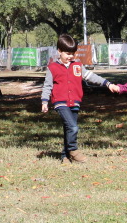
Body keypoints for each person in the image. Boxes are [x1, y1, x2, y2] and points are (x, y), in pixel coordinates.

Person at [41, 34, 120, 163]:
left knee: (69, 128)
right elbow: (47, 86)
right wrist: (44, 101)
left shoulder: (77, 65)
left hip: (75, 102)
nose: (70, 56)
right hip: (60, 103)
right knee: (73, 128)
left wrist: (107, 83)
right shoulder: (52, 68)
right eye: (67, 53)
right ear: (59, 51)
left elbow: (90, 76)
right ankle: (73, 150)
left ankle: (65, 156)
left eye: (73, 53)